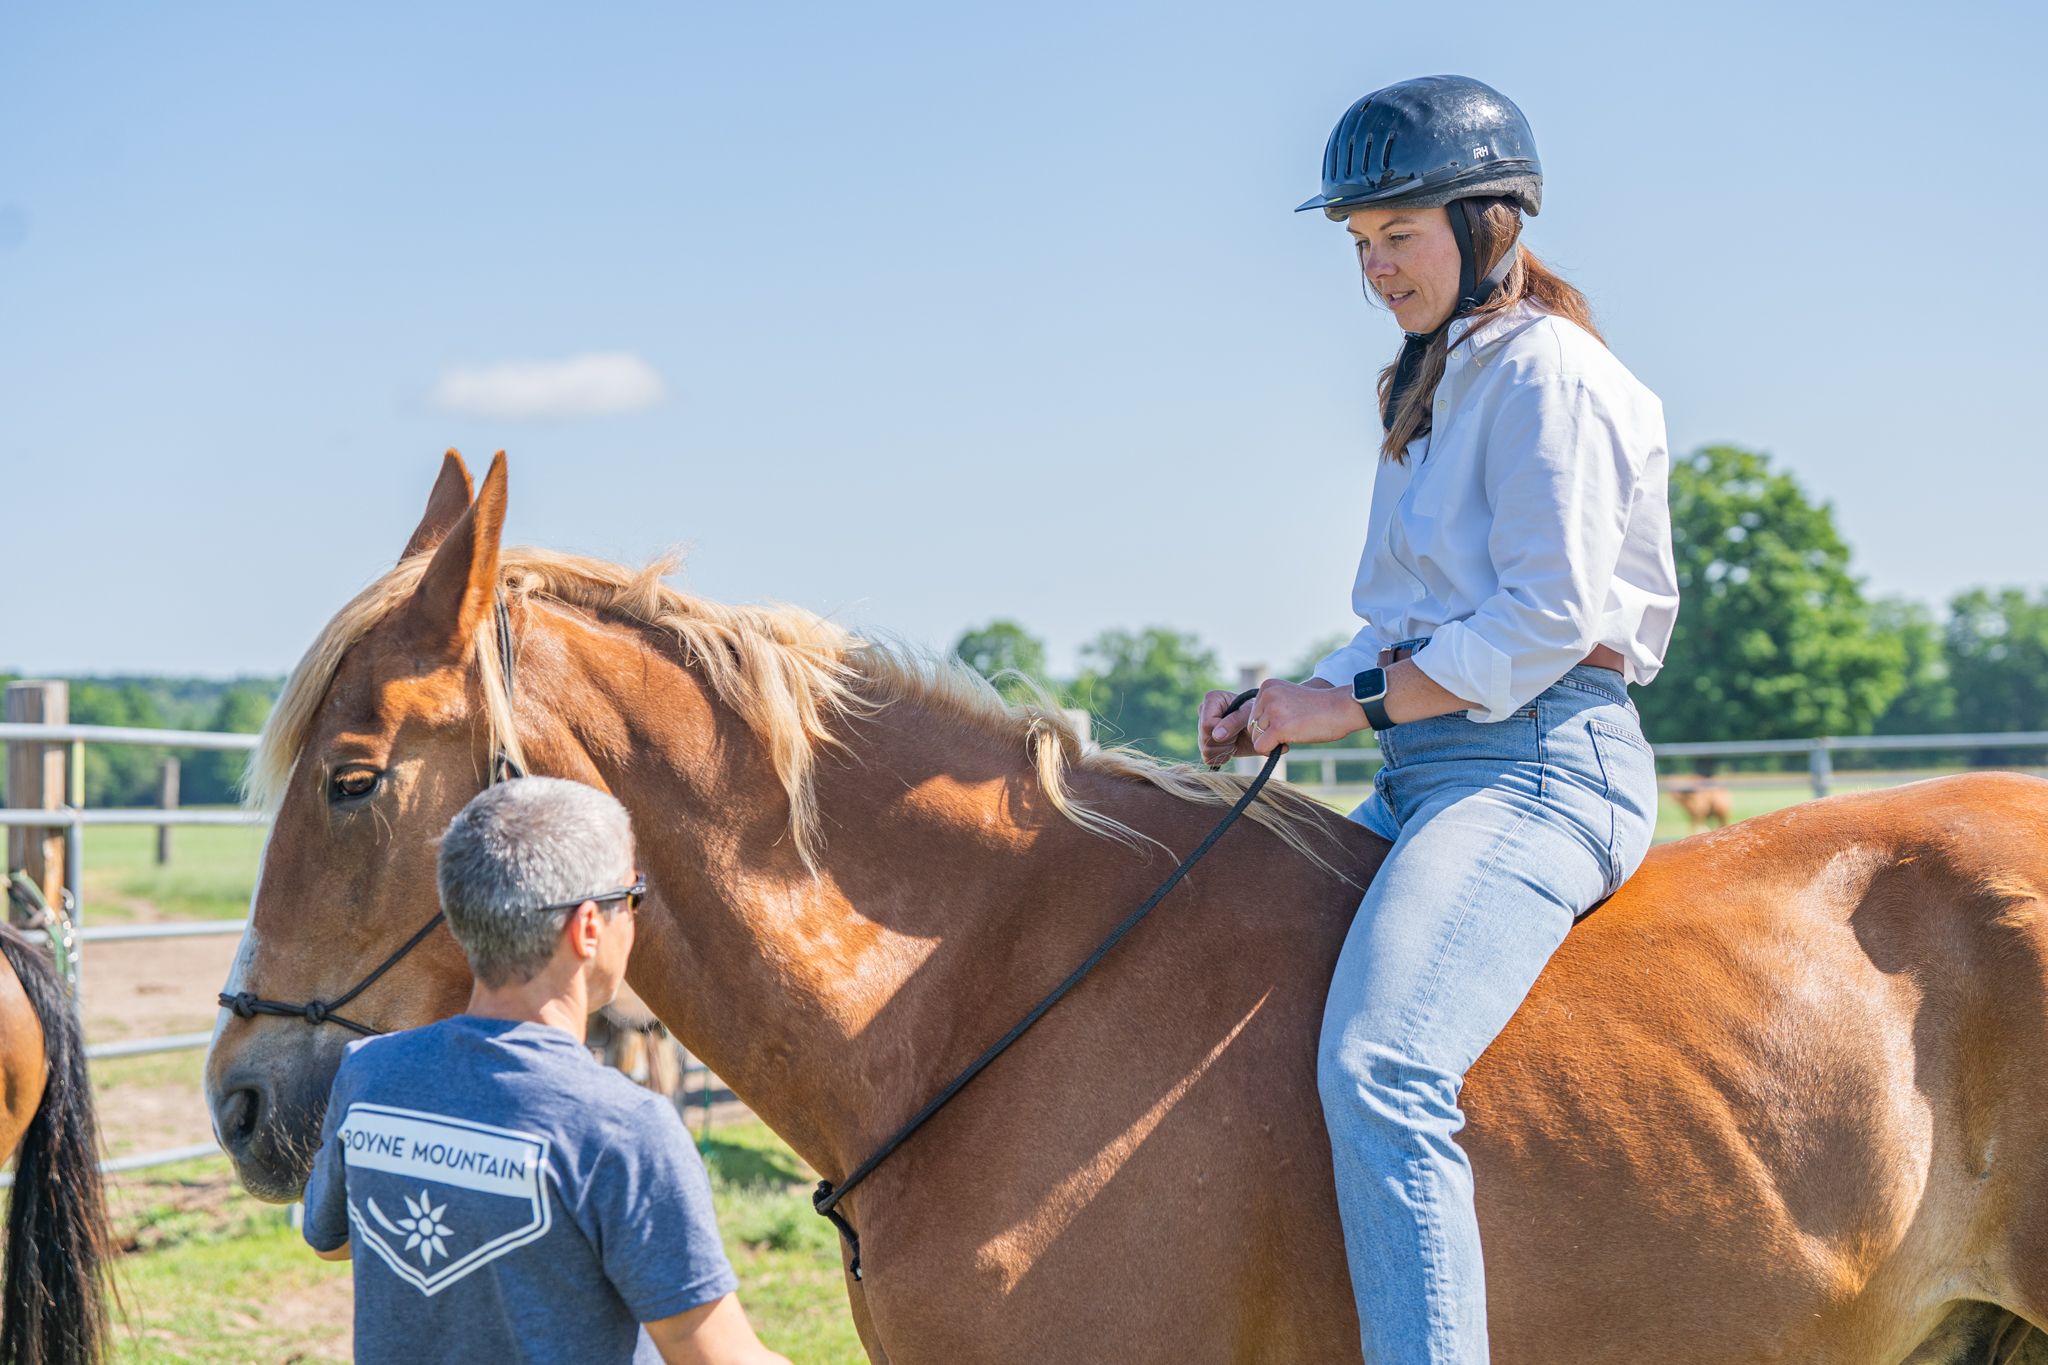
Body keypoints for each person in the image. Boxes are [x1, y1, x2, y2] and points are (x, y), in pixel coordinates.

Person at [1199, 74, 1678, 1363]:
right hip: (1425, 768)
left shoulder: (1549, 378)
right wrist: (1282, 703)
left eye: (1395, 236)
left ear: (1492, 223)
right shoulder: (1429, 386)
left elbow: (1538, 625)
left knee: (1381, 1071)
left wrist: (1340, 703)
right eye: (1357, 245)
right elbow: (1394, 624)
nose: (1373, 268)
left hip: (1536, 770)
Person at [302, 776, 789, 1365]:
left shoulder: (368, 1076)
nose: (634, 916)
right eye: (631, 897)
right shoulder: (624, 1129)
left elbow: (334, 1242)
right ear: (588, 927)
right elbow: (715, 1356)